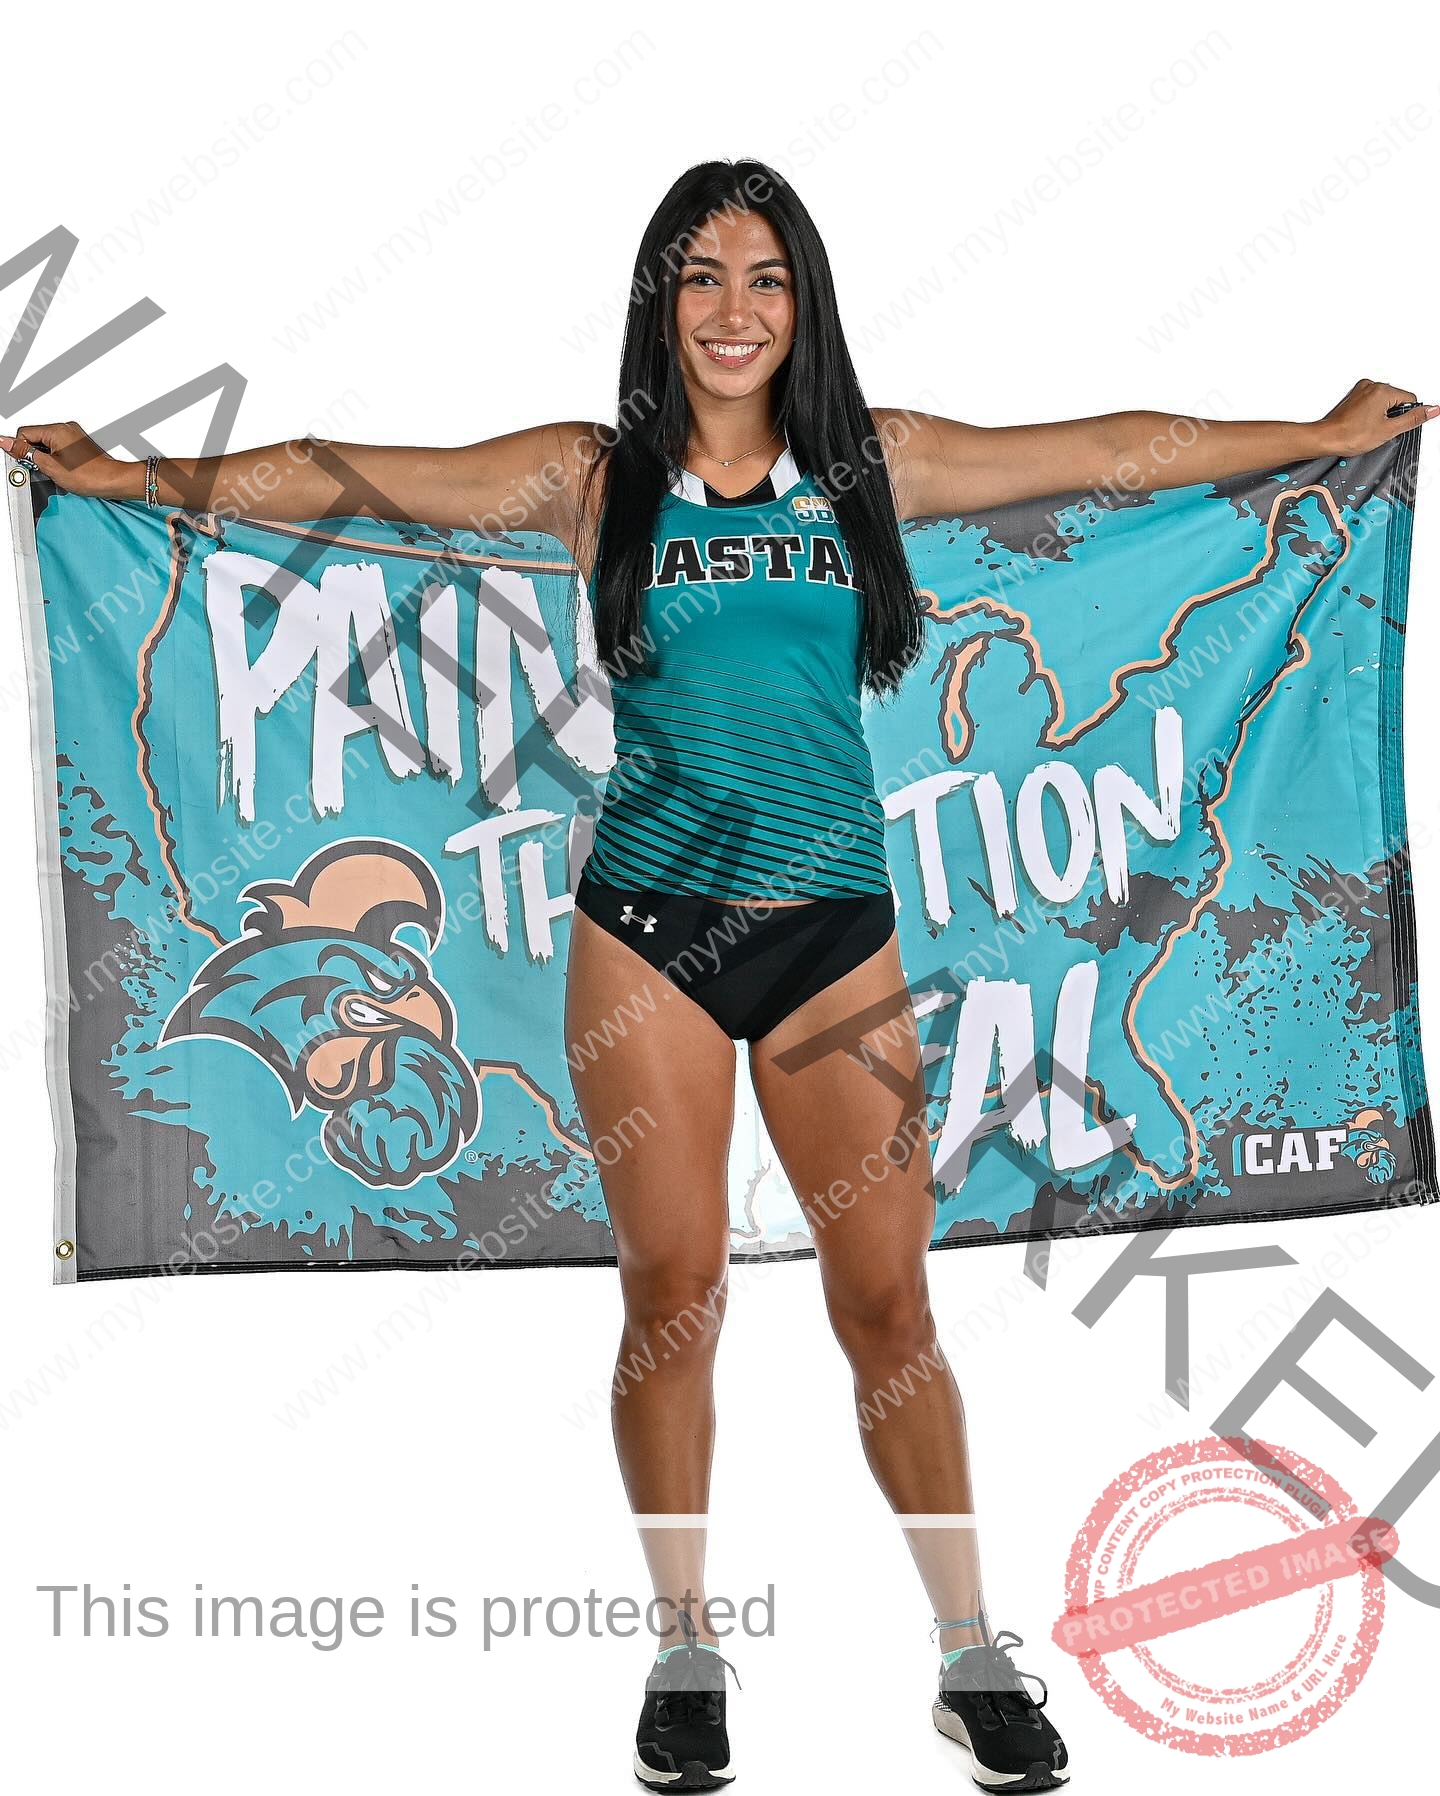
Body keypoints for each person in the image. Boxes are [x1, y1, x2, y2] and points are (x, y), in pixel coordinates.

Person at [5, 155, 1429, 1795]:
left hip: (833, 938)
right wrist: (131, 472)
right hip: (647, 938)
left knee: (888, 1304)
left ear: (803, 303)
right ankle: (686, 1650)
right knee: (671, 1295)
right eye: (701, 277)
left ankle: (971, 1655)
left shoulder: (876, 465)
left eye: (764, 278)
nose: (733, 310)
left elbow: (1118, 453)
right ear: (659, 303)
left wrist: (1318, 432)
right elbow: (345, 482)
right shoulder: (591, 478)